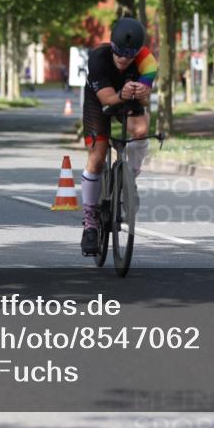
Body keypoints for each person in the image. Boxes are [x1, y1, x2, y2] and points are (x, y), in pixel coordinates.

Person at [80, 17, 157, 256]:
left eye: (129, 55)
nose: (123, 60)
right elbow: (107, 101)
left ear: (138, 53)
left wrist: (142, 92)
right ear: (112, 46)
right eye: (119, 54)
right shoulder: (98, 58)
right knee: (97, 156)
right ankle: (90, 221)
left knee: (141, 131)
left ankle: (129, 177)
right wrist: (124, 93)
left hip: (129, 95)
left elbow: (145, 100)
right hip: (99, 100)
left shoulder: (147, 61)